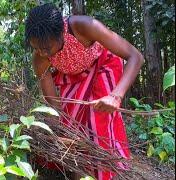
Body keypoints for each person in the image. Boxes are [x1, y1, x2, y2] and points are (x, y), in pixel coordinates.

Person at [25, 3, 144, 180]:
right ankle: (80, 174)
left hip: (104, 65)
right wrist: (58, 130)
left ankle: (105, 174)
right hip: (74, 77)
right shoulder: (40, 59)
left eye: (46, 48)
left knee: (99, 120)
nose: (42, 53)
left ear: (62, 33)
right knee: (72, 127)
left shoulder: (84, 26)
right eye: (36, 48)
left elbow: (136, 57)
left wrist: (115, 96)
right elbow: (54, 104)